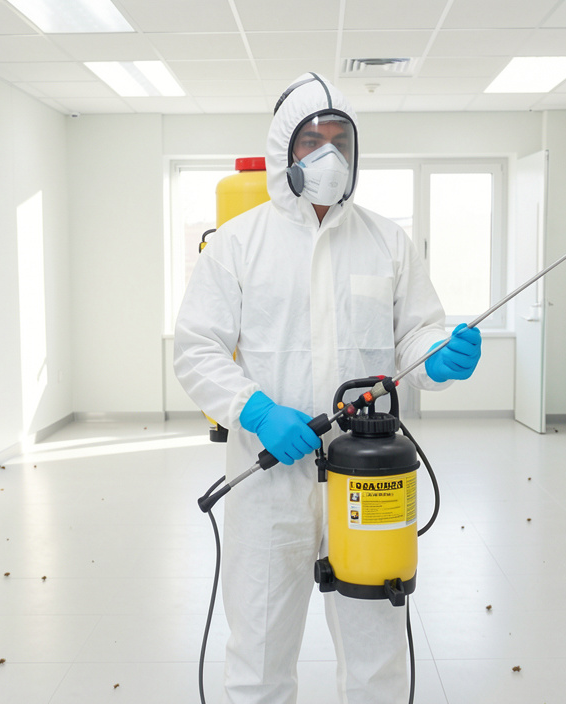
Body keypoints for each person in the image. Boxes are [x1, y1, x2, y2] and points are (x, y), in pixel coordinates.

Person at [174, 73, 482, 704]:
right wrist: (256, 411)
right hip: (270, 481)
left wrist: (438, 357)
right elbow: (196, 348)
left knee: (377, 660)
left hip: (368, 479)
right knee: (259, 656)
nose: (329, 156)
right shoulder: (238, 244)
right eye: (312, 141)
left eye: (341, 141)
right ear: (283, 152)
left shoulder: (386, 241)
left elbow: (415, 335)